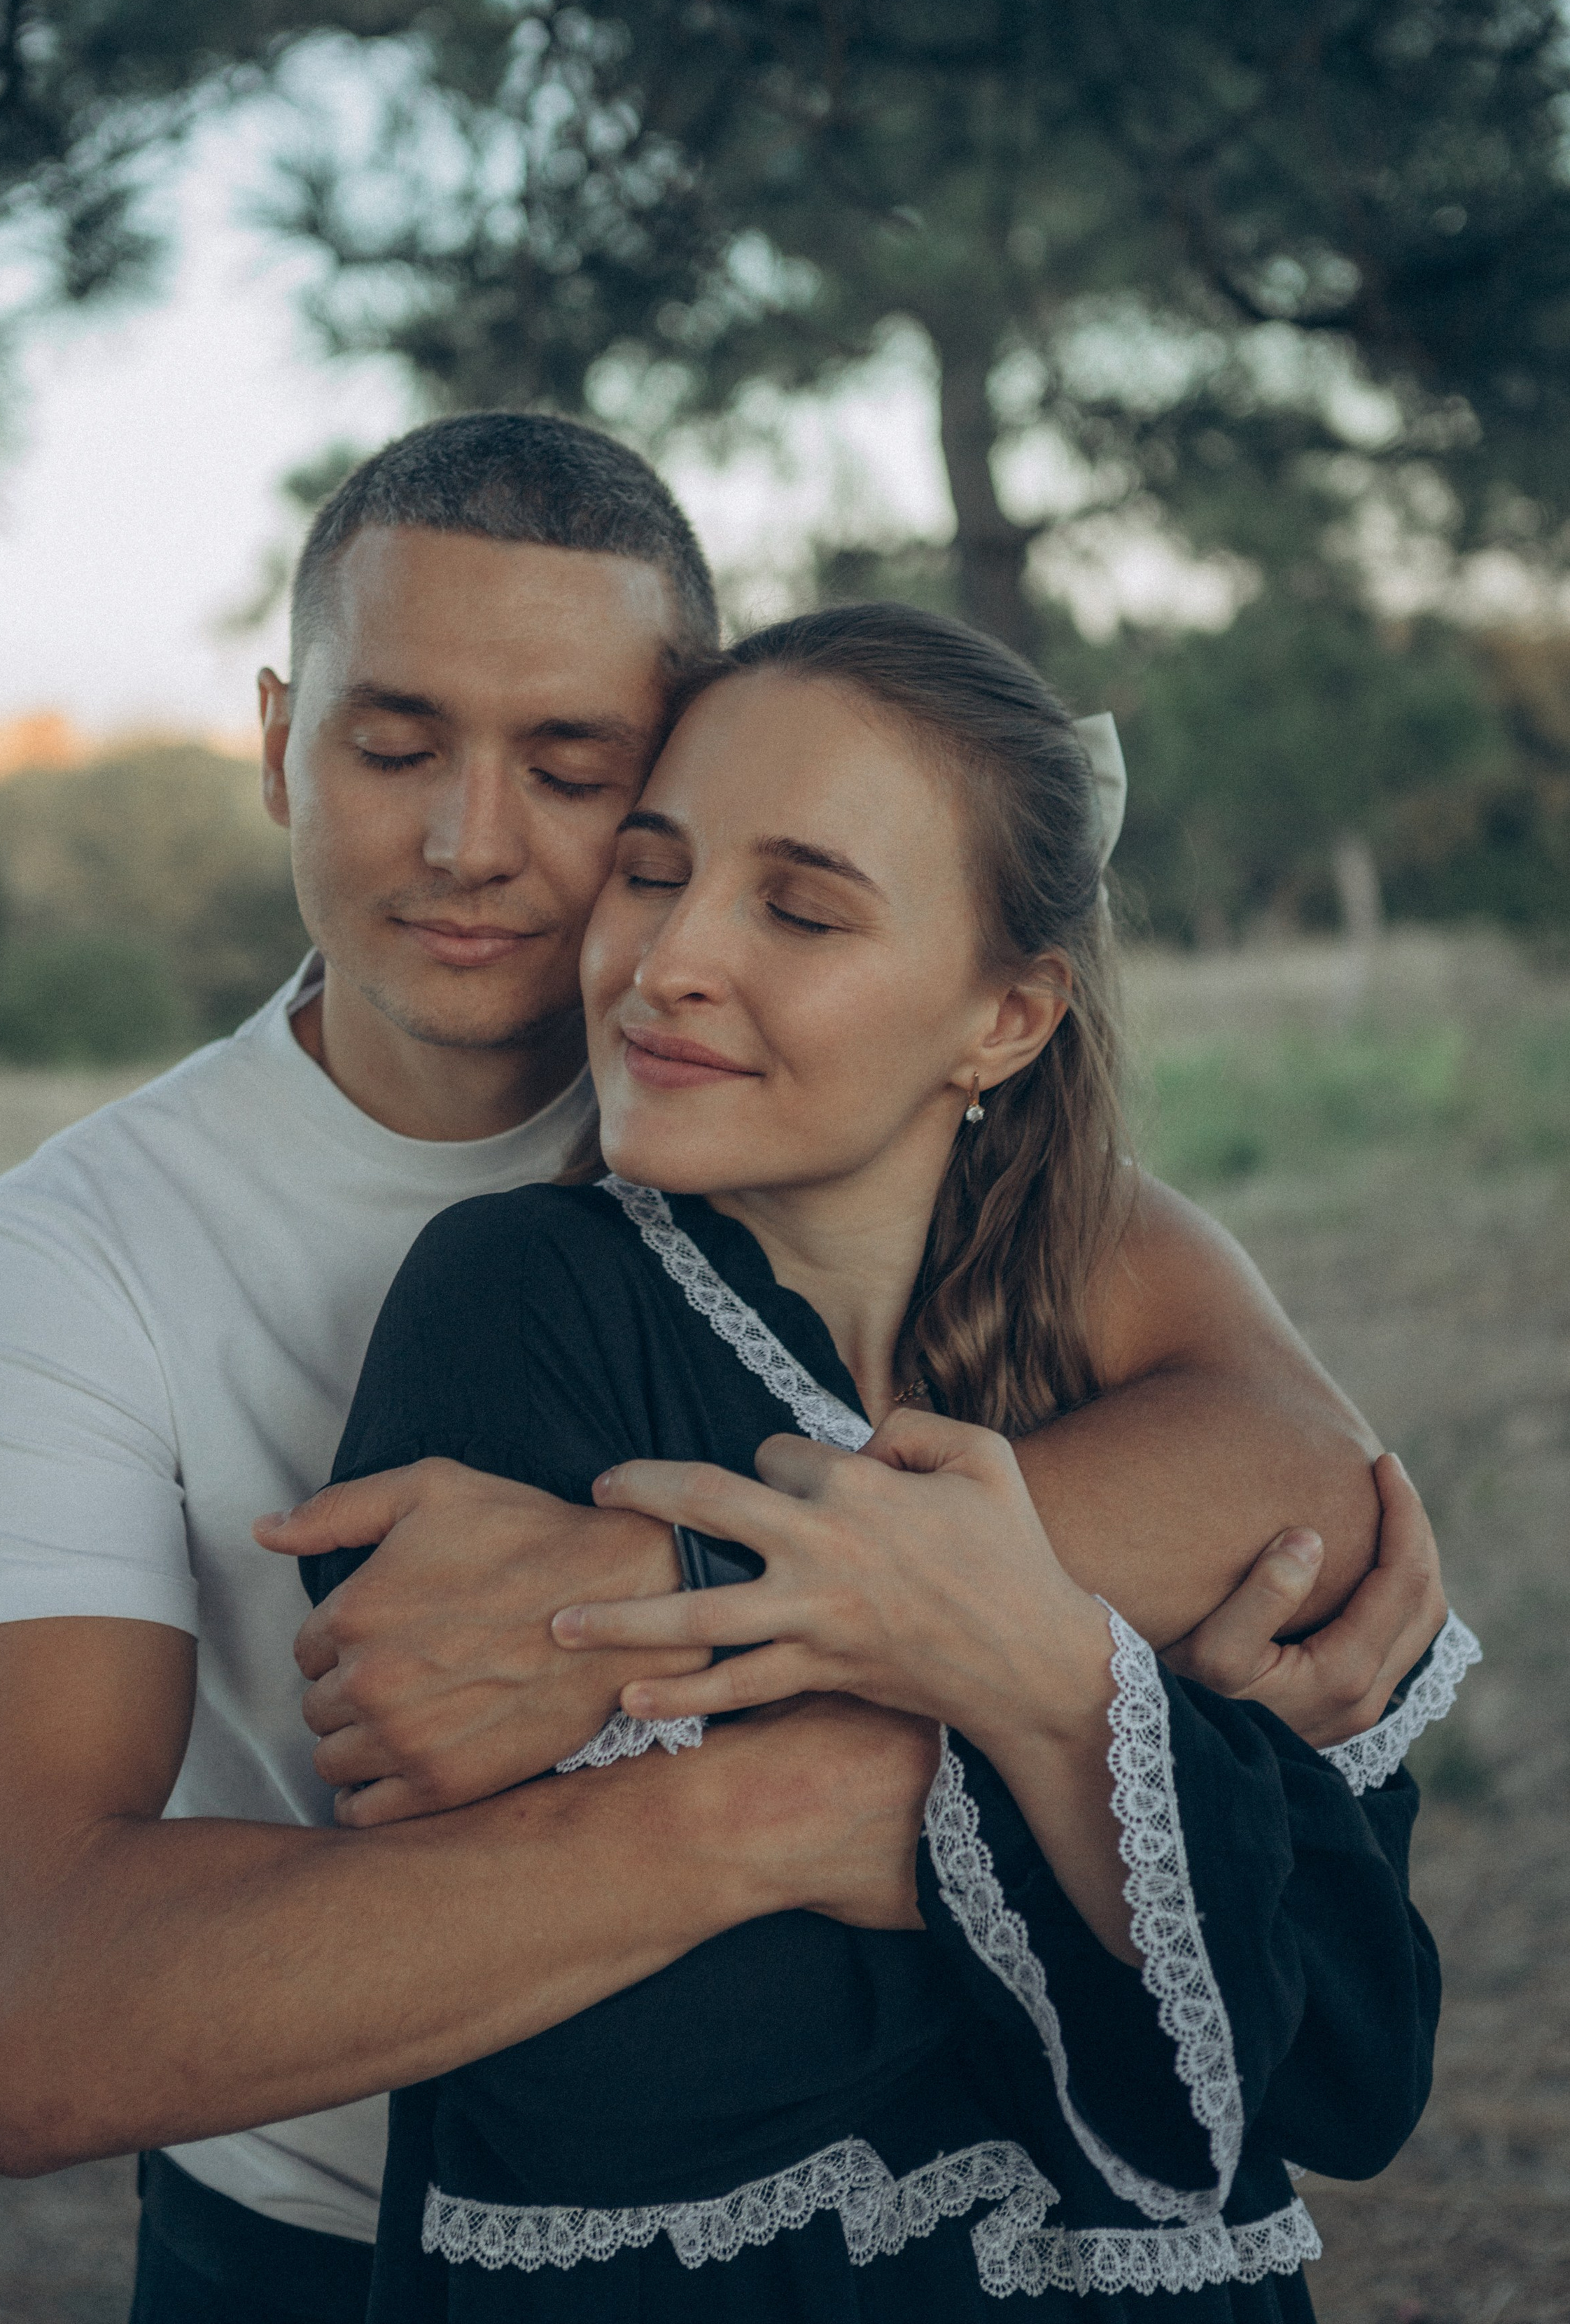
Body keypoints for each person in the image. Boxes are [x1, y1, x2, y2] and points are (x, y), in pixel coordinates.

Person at [0, 416, 1462, 2324]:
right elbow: (36, 2030)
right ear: (277, 738)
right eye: (391, 747)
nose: (472, 842)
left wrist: (672, 1590)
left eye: (576, 774)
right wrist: (865, 1787)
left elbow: (1294, 1467)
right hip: (334, 2234)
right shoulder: (79, 1255)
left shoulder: (812, 1102)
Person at [309, 601, 1466, 2320]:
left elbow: (1347, 2061)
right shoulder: (518, 1302)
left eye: (799, 907)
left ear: (1002, 1019)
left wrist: (959, 1698)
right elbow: (608, 2061)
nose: (672, 958)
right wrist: (1106, 1727)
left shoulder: (1131, 1328)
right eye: (650, 870)